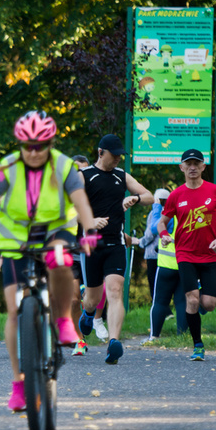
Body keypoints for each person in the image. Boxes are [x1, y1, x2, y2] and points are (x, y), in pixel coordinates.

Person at [0, 110, 96, 411]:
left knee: (60, 258)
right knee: (14, 311)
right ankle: (18, 384)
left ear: (50, 143)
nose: (34, 152)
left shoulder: (64, 167)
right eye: (28, 146)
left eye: (41, 145)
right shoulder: (7, 169)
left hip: (55, 230)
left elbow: (81, 203)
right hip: (17, 237)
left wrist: (90, 231)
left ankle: (63, 319)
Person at [77, 134, 153, 364]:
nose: (119, 158)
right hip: (92, 246)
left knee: (115, 290)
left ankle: (113, 342)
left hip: (117, 244)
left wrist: (135, 199)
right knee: (92, 299)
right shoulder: (84, 176)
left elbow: (149, 196)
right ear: (101, 152)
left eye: (121, 155)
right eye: (115, 154)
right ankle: (88, 313)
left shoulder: (122, 176)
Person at [157, 149, 216, 361]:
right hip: (185, 254)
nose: (192, 167)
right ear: (181, 167)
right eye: (188, 164)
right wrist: (164, 235)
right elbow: (161, 222)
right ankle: (198, 345)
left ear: (203, 166)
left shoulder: (215, 191)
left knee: (209, 304)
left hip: (209, 255)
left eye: (196, 163)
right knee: (192, 300)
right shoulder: (176, 195)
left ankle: (196, 296)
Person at [143, 191, 188, 343]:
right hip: (184, 265)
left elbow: (154, 228)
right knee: (181, 301)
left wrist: (156, 207)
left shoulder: (169, 216)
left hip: (167, 265)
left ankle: (154, 336)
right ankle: (182, 337)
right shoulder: (187, 215)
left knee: (160, 301)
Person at [139, 188, 170, 298]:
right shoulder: (172, 213)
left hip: (153, 254)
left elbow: (150, 234)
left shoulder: (154, 213)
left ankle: (157, 306)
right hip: (168, 254)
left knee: (154, 285)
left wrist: (141, 242)